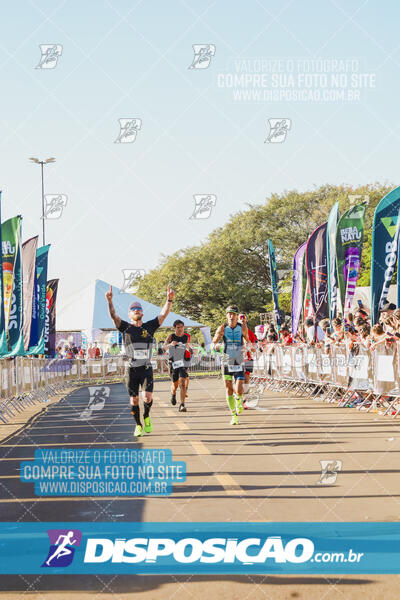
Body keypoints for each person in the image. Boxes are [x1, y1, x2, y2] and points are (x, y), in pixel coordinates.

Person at [106, 284, 175, 437]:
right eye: (133, 309)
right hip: (131, 369)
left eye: (138, 308)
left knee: (147, 397)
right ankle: (138, 425)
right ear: (130, 314)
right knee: (134, 400)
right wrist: (110, 301)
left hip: (145, 368)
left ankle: (147, 416)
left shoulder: (149, 326)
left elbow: (163, 315)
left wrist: (169, 300)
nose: (136, 310)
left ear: (142, 313)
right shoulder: (125, 327)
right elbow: (113, 316)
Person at [212, 305, 249, 425]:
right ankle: (234, 415)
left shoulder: (242, 327)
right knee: (228, 388)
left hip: (238, 359)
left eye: (234, 314)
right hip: (226, 360)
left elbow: (248, 340)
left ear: (237, 316)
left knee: (238, 388)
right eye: (229, 314)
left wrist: (251, 347)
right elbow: (213, 344)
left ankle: (238, 399)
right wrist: (217, 346)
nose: (231, 316)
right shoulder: (222, 328)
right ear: (226, 315)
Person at [163, 320, 192, 412]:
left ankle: (182, 404)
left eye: (182, 327)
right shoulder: (171, 336)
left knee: (182, 383)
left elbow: (187, 346)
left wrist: (191, 349)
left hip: (182, 362)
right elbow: (163, 347)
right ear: (174, 328)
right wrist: (171, 344)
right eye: (178, 327)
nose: (180, 329)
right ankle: (173, 393)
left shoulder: (185, 337)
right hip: (173, 362)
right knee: (175, 384)